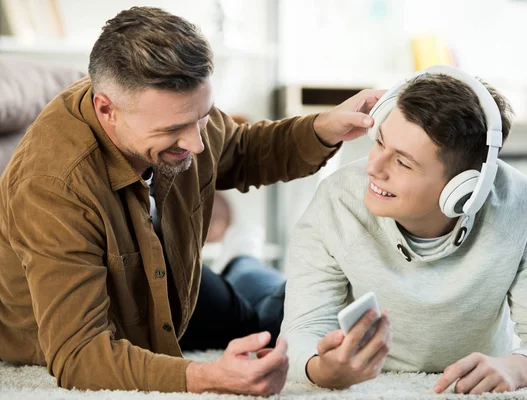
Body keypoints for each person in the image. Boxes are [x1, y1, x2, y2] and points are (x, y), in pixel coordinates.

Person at [0, 6, 384, 396]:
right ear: (106, 110)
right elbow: (81, 355)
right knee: (264, 324)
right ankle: (244, 261)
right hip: (107, 314)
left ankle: (243, 261)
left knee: (279, 318)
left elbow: (241, 149)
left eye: (201, 118)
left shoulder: (177, 109)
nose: (197, 144)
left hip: (168, 280)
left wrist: (325, 126)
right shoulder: (52, 186)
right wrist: (208, 378)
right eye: (172, 131)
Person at [281, 66, 527, 394]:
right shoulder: (338, 199)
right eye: (379, 142)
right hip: (303, 292)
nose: (373, 167)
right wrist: (322, 369)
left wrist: (516, 368)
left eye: (403, 162)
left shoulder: (520, 205)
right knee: (253, 300)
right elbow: (301, 334)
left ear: (463, 189)